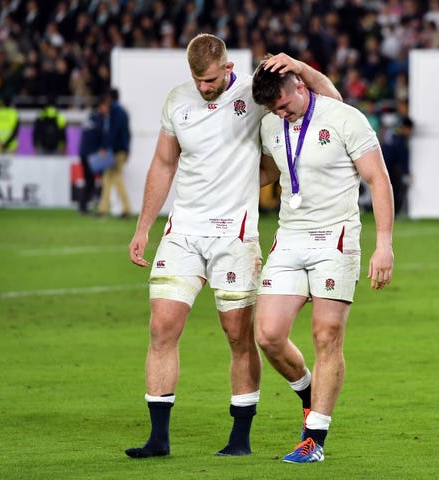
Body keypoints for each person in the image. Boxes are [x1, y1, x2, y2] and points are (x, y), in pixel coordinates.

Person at [126, 33, 342, 459]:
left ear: (227, 68)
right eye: (197, 79)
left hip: (234, 234)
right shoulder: (177, 101)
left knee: (239, 336)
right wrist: (143, 226)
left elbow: (328, 100)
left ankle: (240, 438)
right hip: (183, 230)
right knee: (161, 329)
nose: (204, 87)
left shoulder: (252, 93)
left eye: (210, 79)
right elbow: (164, 163)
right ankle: (158, 438)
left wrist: (297, 66)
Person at [251, 57, 395, 463]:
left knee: (327, 335)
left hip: (336, 238)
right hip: (290, 237)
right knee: (269, 336)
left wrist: (384, 245)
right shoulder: (270, 124)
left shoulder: (343, 117)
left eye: (284, 105)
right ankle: (309, 394)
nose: (281, 114)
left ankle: (314, 439)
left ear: (299, 86)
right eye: (274, 110)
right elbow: (265, 173)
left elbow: (378, 178)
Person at [77, 94, 119, 215]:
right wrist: (103, 148)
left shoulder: (90, 117)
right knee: (95, 180)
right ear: (101, 106)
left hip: (84, 153)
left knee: (90, 180)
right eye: (106, 106)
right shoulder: (101, 119)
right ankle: (88, 204)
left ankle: (86, 205)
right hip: (92, 155)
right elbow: (101, 136)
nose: (108, 109)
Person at [96, 88, 132, 218]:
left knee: (114, 179)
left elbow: (113, 131)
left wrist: (105, 147)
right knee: (109, 178)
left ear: (109, 99)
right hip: (121, 150)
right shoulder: (123, 112)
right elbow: (127, 133)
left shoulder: (115, 112)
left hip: (116, 151)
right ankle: (104, 209)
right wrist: (127, 151)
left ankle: (123, 209)